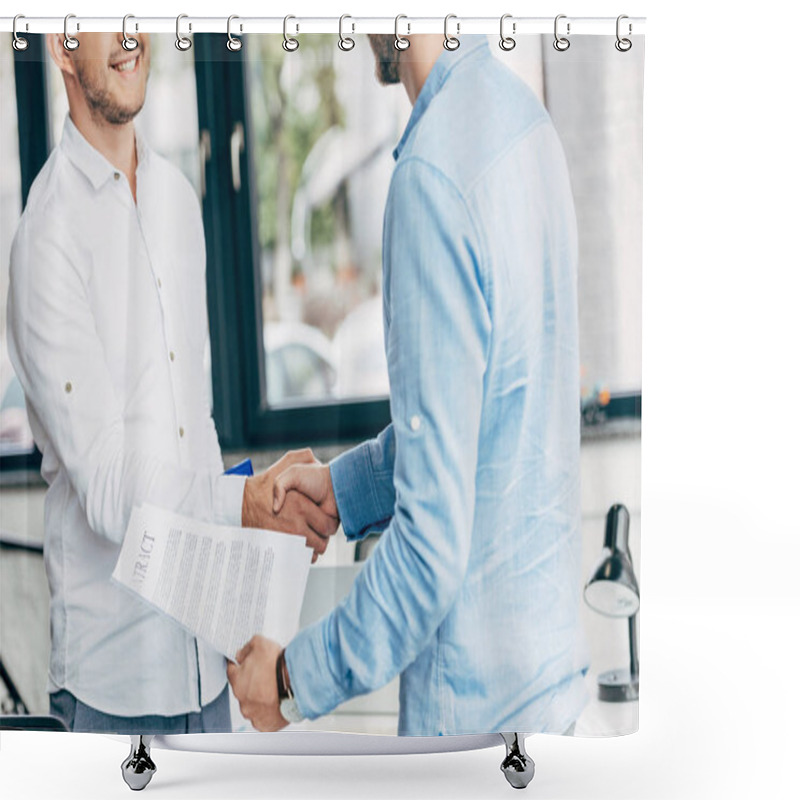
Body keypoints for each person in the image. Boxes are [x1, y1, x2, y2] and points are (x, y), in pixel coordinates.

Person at [227, 34, 590, 736]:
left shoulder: (430, 177)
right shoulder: (525, 123)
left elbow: (429, 555)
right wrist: (344, 489)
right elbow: (483, 417)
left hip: (473, 731)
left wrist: (289, 680)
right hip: (551, 694)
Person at [6, 32, 338, 734]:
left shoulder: (179, 200)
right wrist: (244, 503)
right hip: (113, 688)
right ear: (63, 50)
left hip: (208, 663)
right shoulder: (48, 238)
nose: (133, 35)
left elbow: (196, 429)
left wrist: (243, 599)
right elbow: (107, 485)